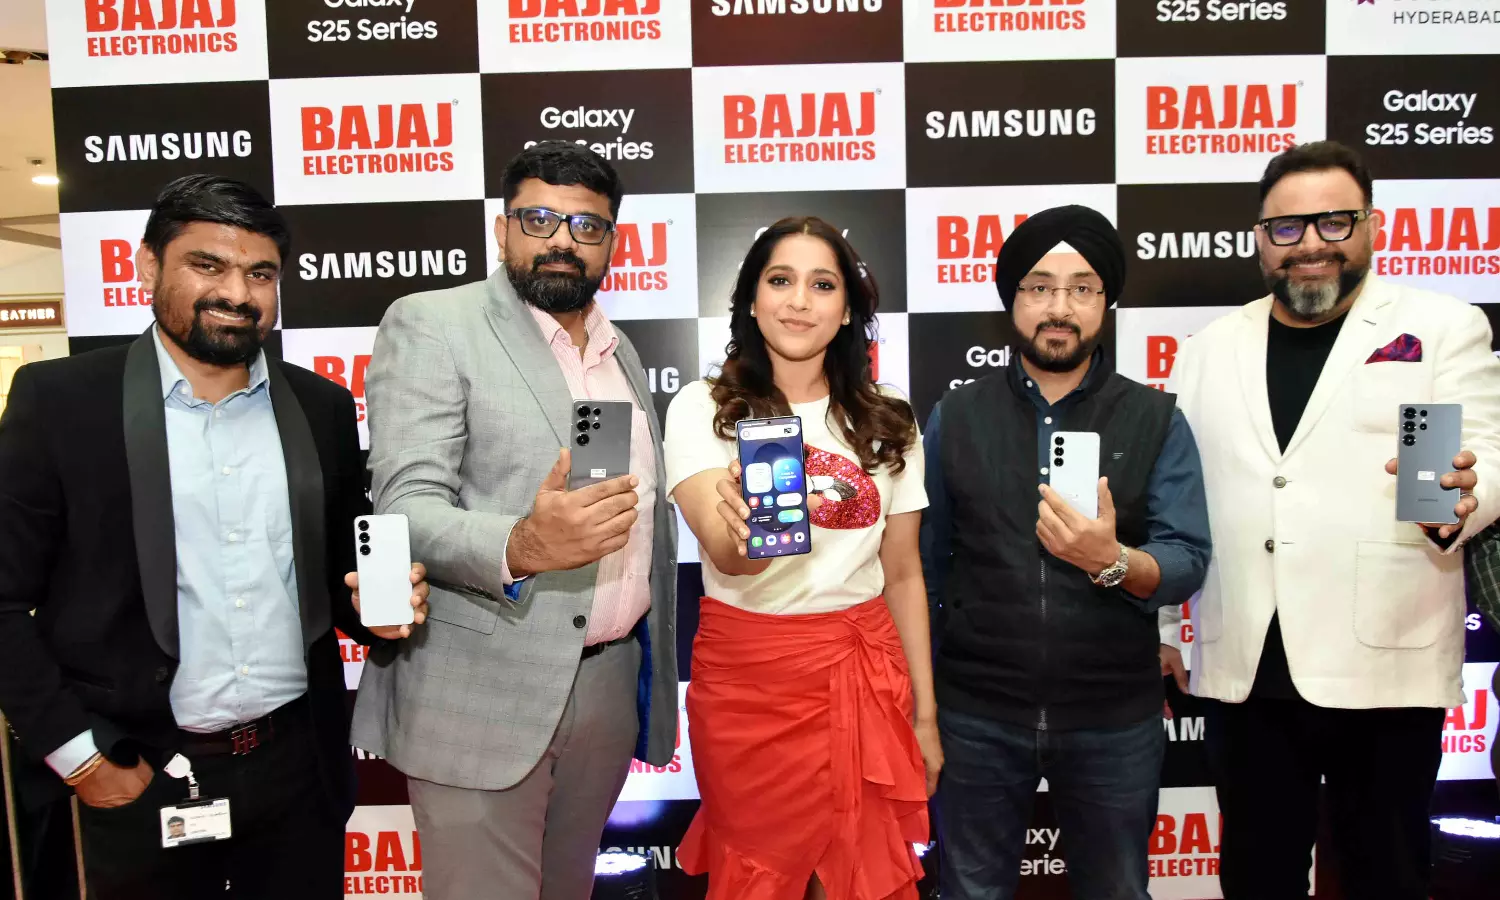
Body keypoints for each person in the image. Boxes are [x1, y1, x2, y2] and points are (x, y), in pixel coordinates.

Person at [0, 174, 430, 900]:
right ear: (147, 265)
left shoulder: (320, 406)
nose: (237, 292)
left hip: (297, 773)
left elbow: (335, 580)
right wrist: (81, 758)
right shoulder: (60, 403)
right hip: (137, 773)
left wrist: (379, 611)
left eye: (260, 273)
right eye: (208, 265)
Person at [1167, 139, 1500, 899]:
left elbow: (1485, 450)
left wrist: (1466, 495)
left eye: (1334, 222)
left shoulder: (1442, 326)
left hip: (1385, 660)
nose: (1311, 244)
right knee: (1257, 878)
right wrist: (1164, 626)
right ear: (1260, 239)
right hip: (1247, 667)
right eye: (1287, 227)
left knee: (1386, 875)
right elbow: (1174, 498)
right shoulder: (1208, 349)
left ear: (1372, 226)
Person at [350, 140, 679, 900]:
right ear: (502, 230)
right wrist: (522, 544)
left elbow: (607, 508)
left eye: (586, 226)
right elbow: (404, 509)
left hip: (606, 685)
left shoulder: (617, 350)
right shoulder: (433, 323)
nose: (562, 240)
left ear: (612, 243)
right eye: (538, 219)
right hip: (481, 694)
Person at [919, 205, 1212, 900]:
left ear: (1106, 302)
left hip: (1114, 719)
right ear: (1012, 300)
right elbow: (924, 567)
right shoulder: (956, 416)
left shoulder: (1155, 418)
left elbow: (1186, 559)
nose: (1059, 307)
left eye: (1082, 288)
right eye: (1039, 287)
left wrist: (1113, 561)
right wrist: (921, 702)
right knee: (969, 892)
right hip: (976, 715)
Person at [663, 216, 940, 899]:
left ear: (846, 310)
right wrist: (748, 531)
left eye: (822, 285)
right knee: (761, 879)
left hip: (864, 672)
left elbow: (904, 574)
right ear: (751, 300)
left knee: (861, 878)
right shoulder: (703, 408)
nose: (798, 301)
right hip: (750, 686)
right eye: (780, 280)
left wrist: (926, 717)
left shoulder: (889, 415)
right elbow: (729, 558)